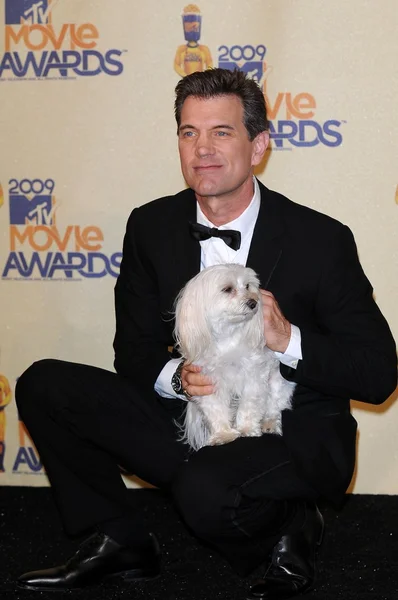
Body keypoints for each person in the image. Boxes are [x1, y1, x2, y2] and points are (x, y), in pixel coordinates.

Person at [15, 68, 397, 599]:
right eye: (189, 132)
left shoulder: (321, 239)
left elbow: (379, 373)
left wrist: (288, 339)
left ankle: (293, 525)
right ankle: (118, 539)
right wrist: (180, 378)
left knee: (205, 491)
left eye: (222, 132)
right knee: (43, 385)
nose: (203, 150)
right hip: (198, 413)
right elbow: (134, 351)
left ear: (258, 145)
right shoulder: (151, 226)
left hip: (288, 427)